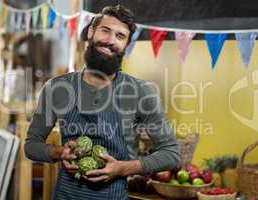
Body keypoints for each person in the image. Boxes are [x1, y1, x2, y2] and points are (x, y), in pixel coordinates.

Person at [25, 5, 181, 200]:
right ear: (91, 31)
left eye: (120, 36)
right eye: (105, 31)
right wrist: (59, 152)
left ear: (126, 45)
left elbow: (172, 153)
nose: (110, 41)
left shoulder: (141, 92)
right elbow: (31, 145)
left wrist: (123, 168)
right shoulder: (57, 88)